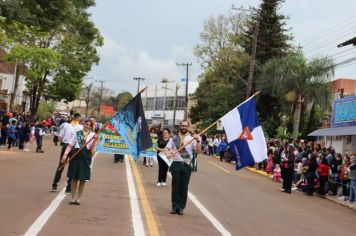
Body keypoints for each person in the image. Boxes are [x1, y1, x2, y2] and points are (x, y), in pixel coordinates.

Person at [165, 120, 201, 215]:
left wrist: (198, 141)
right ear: (180, 126)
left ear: (188, 127)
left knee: (184, 187)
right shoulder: (174, 138)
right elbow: (167, 148)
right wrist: (168, 154)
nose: (184, 127)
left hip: (186, 165)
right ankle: (174, 206)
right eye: (182, 125)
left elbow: (198, 151)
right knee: (175, 186)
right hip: (176, 164)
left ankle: (181, 207)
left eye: (186, 126)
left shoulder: (192, 138)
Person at [60, 119, 99, 205]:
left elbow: (91, 148)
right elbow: (70, 145)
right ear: (83, 124)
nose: (87, 126)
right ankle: (73, 198)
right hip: (76, 155)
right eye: (86, 124)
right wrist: (65, 155)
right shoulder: (78, 133)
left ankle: (78, 198)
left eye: (89, 125)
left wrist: (95, 140)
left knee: (83, 179)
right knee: (74, 178)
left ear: (91, 127)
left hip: (86, 157)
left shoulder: (93, 135)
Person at [50, 113, 80, 193]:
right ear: (79, 119)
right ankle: (68, 188)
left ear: (72, 118)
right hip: (74, 147)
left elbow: (60, 138)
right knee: (72, 167)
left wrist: (65, 142)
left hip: (66, 146)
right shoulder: (81, 127)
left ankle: (54, 185)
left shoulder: (66, 125)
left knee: (61, 165)